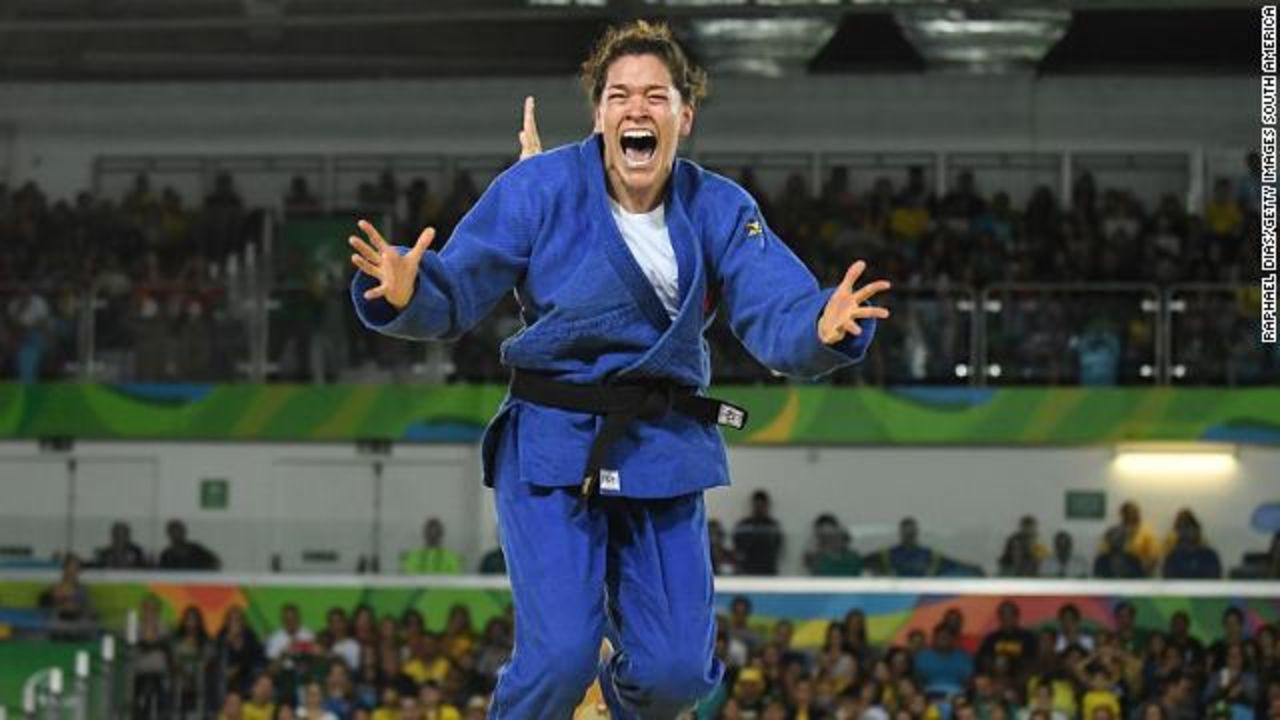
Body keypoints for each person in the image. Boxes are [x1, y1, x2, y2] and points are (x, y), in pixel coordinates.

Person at [347, 20, 888, 719]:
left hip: (661, 444)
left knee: (675, 675)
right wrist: (404, 292)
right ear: (599, 113)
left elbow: (774, 306)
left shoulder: (720, 208)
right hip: (551, 437)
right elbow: (457, 284)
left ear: (683, 116)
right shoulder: (541, 188)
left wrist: (819, 327)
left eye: (656, 96)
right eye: (619, 94)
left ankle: (612, 707)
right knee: (561, 656)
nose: (637, 108)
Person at [732, 490, 784, 575]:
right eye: (757, 505)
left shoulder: (773, 526)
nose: (759, 508)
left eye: (761, 505)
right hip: (748, 568)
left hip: (768, 569)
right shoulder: (743, 525)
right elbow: (738, 547)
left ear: (766, 505)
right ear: (753, 505)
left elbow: (776, 547)